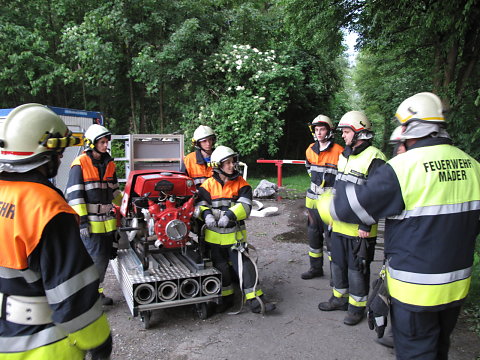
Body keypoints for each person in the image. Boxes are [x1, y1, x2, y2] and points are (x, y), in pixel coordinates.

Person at [330, 92, 480, 359]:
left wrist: (327, 201)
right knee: (439, 348)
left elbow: (347, 208)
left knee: (417, 352)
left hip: (414, 291)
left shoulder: (403, 167)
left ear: (411, 127)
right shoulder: (473, 166)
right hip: (456, 285)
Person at [0, 104, 112, 359]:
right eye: (58, 151)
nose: (60, 157)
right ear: (45, 152)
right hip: (43, 347)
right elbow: (73, 293)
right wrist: (99, 341)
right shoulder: (47, 208)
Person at [318, 111, 387, 326]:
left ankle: (356, 307)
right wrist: (330, 214)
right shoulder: (345, 155)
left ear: (359, 132)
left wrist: (366, 223)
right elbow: (339, 188)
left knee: (357, 268)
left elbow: (378, 195)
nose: (343, 136)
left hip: (360, 228)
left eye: (347, 132)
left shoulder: (375, 157)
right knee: (337, 264)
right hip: (338, 224)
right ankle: (339, 298)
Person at [197, 145, 276, 314]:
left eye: (233, 162)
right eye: (227, 163)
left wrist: (229, 216)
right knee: (221, 270)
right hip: (213, 239)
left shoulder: (242, 184)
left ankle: (255, 300)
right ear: (218, 166)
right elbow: (201, 205)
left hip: (235, 237)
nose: (232, 165)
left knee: (246, 267)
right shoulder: (207, 185)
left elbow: (246, 206)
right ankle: (225, 300)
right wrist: (207, 216)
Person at [66, 124, 123, 306]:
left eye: (107, 142)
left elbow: (114, 192)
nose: (106, 145)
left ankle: (96, 295)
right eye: (102, 142)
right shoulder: (80, 164)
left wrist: (128, 205)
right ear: (92, 143)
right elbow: (74, 196)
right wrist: (82, 222)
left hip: (107, 223)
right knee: (95, 261)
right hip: (90, 224)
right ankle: (88, 299)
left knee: (104, 259)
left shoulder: (109, 163)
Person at [301, 115, 343, 280]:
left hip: (330, 201)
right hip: (312, 200)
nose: (319, 133)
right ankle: (315, 268)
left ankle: (336, 274)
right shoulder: (310, 149)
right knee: (313, 235)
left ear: (329, 131)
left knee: (331, 237)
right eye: (316, 129)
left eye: (322, 129)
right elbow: (308, 167)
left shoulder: (339, 151)